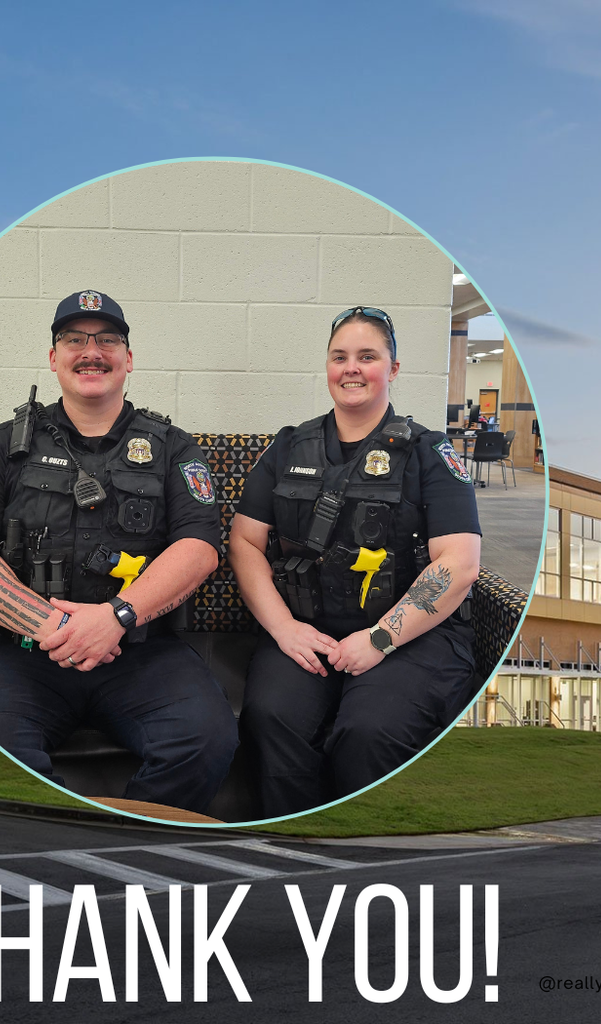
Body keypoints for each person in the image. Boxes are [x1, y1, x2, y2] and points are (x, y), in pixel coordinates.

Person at [0, 289, 238, 814]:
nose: (91, 351)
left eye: (106, 340)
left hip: (141, 651)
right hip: (22, 652)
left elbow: (199, 548)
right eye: (75, 339)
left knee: (205, 740)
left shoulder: (173, 447)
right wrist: (46, 624)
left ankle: (133, 853)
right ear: (54, 358)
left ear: (128, 358)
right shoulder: (2, 444)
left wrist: (116, 617)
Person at [229, 306, 482, 817]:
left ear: (392, 370)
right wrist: (283, 629)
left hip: (412, 637)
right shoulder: (288, 446)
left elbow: (459, 563)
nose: (352, 368)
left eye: (368, 356)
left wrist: (380, 638)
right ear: (326, 367)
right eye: (339, 356)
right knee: (270, 715)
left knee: (369, 732)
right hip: (309, 631)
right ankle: (294, 847)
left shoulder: (431, 452)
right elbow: (243, 542)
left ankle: (365, 850)